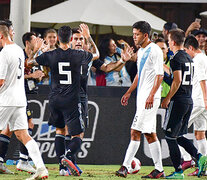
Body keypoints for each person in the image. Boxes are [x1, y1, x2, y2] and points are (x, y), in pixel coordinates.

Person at [27, 24, 100, 176]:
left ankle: (61, 168)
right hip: (71, 99)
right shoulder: (78, 55)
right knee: (78, 135)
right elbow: (96, 54)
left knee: (60, 131)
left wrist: (39, 49)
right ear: (71, 38)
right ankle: (67, 156)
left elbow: (30, 63)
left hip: (54, 99)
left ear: (58, 39)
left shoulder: (51, 54)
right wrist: (88, 36)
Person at [116, 21, 164, 178]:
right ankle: (159, 170)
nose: (134, 37)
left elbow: (160, 75)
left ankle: (124, 167)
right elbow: (140, 74)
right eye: (133, 34)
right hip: (142, 97)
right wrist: (129, 91)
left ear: (145, 35)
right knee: (150, 134)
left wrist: (151, 95)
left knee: (134, 131)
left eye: (136, 34)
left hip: (149, 99)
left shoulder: (155, 50)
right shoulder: (142, 51)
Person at [0, 25, 48, 179]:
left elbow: (1, 81)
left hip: (6, 99)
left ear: (1, 35)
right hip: (20, 99)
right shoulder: (18, 51)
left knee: (22, 133)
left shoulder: (5, 53)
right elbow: (27, 65)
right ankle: (41, 168)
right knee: (23, 135)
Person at [161, 28, 207, 178]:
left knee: (169, 136)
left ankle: (178, 171)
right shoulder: (189, 58)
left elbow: (177, 80)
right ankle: (199, 157)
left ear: (173, 42)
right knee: (179, 135)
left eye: (168, 41)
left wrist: (167, 98)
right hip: (189, 100)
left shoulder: (176, 59)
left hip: (178, 101)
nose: (168, 44)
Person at [179, 35, 207, 176]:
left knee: (177, 129)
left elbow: (202, 79)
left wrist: (205, 99)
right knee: (200, 133)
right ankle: (204, 168)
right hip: (201, 101)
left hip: (198, 100)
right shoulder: (203, 57)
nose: (185, 53)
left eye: (186, 50)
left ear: (190, 48)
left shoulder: (198, 59)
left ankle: (188, 159)